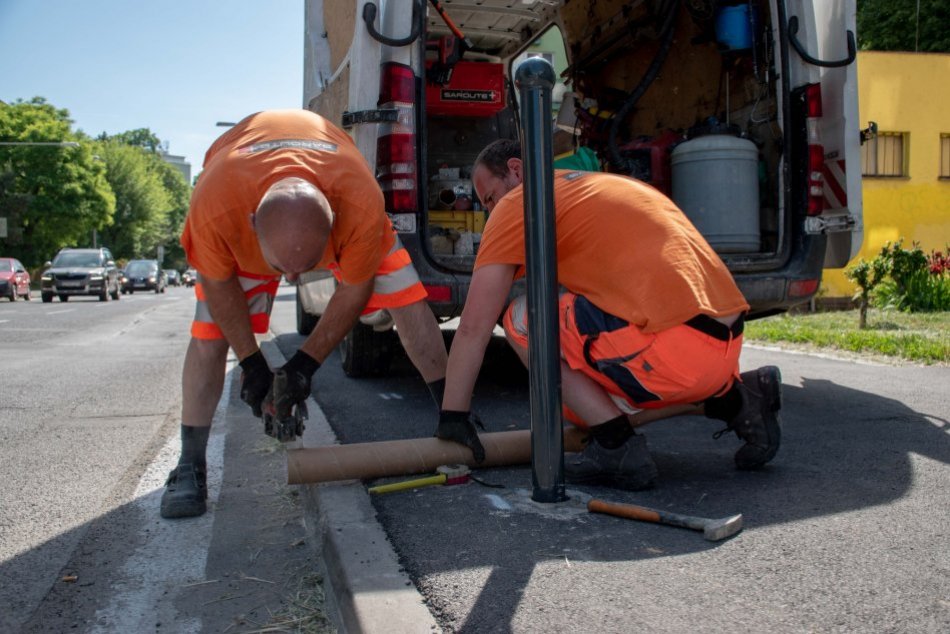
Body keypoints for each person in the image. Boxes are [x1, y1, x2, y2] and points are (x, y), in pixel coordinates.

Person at [161, 109, 460, 518]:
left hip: (339, 189)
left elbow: (355, 290)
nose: (291, 278)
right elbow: (219, 287)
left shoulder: (360, 203)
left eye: (304, 267)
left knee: (408, 300)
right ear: (252, 225)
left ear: (334, 225)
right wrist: (251, 364)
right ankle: (189, 466)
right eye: (282, 267)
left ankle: (455, 414)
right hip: (237, 195)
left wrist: (304, 365)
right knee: (209, 336)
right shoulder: (215, 207)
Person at [438, 139, 782, 490]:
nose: (490, 213)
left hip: (673, 351)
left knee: (520, 320)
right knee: (575, 406)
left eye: (489, 198)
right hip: (723, 348)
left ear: (515, 170)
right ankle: (737, 399)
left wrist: (453, 416)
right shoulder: (597, 185)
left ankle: (617, 446)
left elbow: (472, 328)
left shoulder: (518, 203)